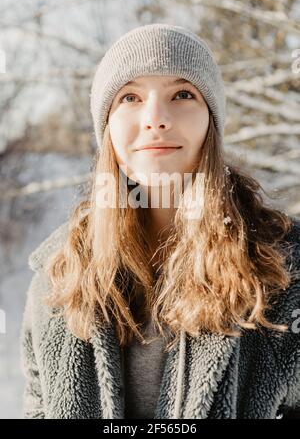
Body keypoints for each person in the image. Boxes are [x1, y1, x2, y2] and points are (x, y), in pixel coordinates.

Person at [20, 23, 300, 419]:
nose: (155, 118)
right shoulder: (57, 280)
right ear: (107, 128)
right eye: (129, 97)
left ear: (211, 121)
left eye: (182, 94)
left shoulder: (286, 273)